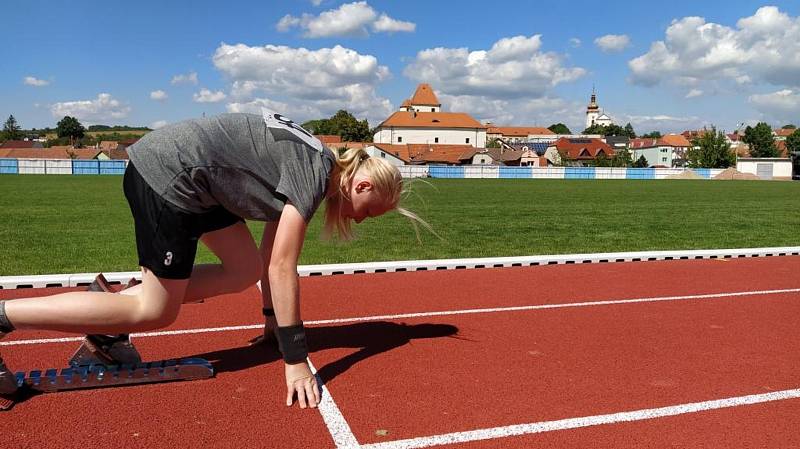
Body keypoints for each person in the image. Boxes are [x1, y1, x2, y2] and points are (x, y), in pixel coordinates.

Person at [0, 109, 412, 409]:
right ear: (360, 184)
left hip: (197, 181)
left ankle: (116, 303)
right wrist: (295, 360)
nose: (362, 219)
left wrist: (271, 316)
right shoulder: (312, 176)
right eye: (369, 210)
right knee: (156, 312)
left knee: (243, 268)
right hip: (169, 176)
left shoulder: (315, 162)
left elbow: (269, 257)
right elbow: (284, 267)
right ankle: (6, 316)